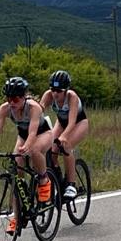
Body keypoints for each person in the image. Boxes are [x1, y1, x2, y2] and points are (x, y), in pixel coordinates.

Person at [0, 76, 54, 233]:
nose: (11, 102)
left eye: (15, 99)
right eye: (8, 98)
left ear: (24, 97)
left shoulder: (34, 108)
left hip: (43, 133)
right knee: (15, 177)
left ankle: (44, 179)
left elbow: (33, 132)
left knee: (33, 150)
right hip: (23, 136)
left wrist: (26, 147)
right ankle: (16, 215)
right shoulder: (4, 109)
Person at [39, 69, 90, 200]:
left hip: (78, 123)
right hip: (61, 123)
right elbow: (39, 111)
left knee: (65, 146)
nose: (55, 94)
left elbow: (72, 122)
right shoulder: (48, 95)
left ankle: (71, 185)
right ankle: (58, 181)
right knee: (50, 150)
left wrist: (63, 137)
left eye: (59, 91)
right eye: (53, 90)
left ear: (66, 90)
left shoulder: (72, 97)